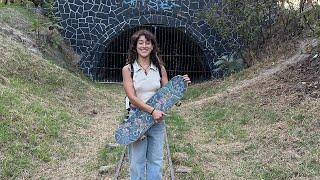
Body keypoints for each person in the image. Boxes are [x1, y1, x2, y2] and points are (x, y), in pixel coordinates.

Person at [122, 29, 191, 180]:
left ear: (153, 46)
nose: (144, 46)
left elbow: (169, 95)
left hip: (157, 120)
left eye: (148, 43)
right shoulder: (128, 69)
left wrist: (181, 88)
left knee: (156, 161)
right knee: (137, 162)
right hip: (137, 119)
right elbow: (132, 97)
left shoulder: (160, 68)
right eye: (140, 43)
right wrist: (151, 110)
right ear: (135, 46)